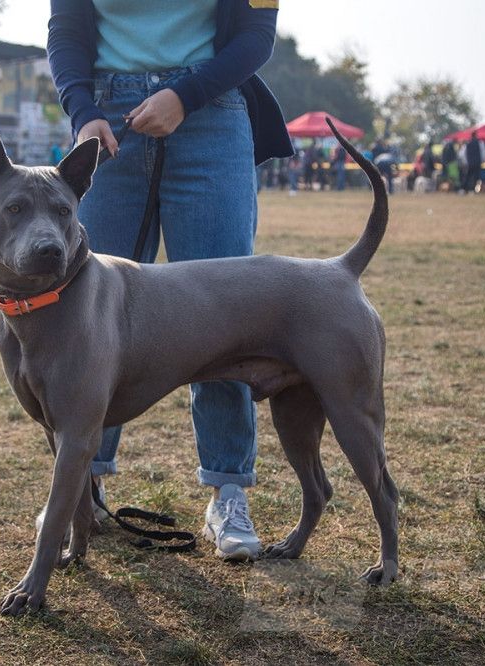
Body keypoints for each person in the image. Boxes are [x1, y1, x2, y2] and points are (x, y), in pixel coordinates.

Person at [48, 0, 293, 560]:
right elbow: (65, 31)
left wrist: (185, 96)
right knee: (87, 316)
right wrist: (82, 109)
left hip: (211, 111)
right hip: (107, 120)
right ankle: (82, 488)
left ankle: (228, 491)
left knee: (228, 318)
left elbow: (257, 37)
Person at [461, 130, 485, 194]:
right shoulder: (480, 142)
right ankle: (474, 190)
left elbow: (463, 154)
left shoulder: (467, 143)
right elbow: (483, 153)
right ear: (476, 135)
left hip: (470, 163)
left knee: (468, 176)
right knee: (476, 177)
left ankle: (464, 189)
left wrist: (466, 162)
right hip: (477, 162)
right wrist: (482, 161)